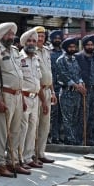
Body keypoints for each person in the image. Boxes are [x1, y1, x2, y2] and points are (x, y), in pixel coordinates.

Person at [0, 22, 28, 176]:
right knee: (1, 130)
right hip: (4, 94)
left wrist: (23, 98)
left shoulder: (16, 51)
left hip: (18, 95)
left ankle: (13, 161)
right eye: (7, 34)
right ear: (0, 35)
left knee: (16, 130)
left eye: (12, 34)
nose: (10, 37)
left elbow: (19, 75)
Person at [18, 29, 46, 169]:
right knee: (22, 129)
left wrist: (44, 101)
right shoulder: (19, 58)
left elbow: (38, 82)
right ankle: (18, 158)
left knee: (32, 129)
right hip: (23, 97)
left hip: (35, 98)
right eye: (29, 41)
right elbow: (18, 81)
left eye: (34, 41)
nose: (31, 43)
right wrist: (21, 100)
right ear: (24, 43)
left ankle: (28, 157)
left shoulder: (36, 59)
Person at [55, 37, 86, 145]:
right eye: (70, 47)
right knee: (67, 118)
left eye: (74, 47)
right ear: (66, 48)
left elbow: (79, 74)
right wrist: (77, 86)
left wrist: (81, 83)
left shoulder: (74, 59)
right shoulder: (61, 60)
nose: (72, 49)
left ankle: (75, 139)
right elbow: (64, 76)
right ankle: (70, 140)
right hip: (67, 92)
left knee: (75, 117)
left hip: (76, 93)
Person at [34, 27, 56, 164]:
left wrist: (53, 92)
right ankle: (31, 155)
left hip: (48, 90)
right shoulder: (30, 51)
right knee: (34, 125)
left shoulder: (47, 51)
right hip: (37, 92)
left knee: (45, 125)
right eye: (38, 36)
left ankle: (40, 153)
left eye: (42, 36)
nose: (40, 38)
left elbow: (49, 73)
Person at [48, 29, 64, 144]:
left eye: (59, 38)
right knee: (51, 114)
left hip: (62, 88)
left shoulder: (64, 53)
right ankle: (52, 137)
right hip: (50, 87)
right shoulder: (47, 52)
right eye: (55, 38)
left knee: (61, 114)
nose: (57, 40)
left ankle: (58, 135)